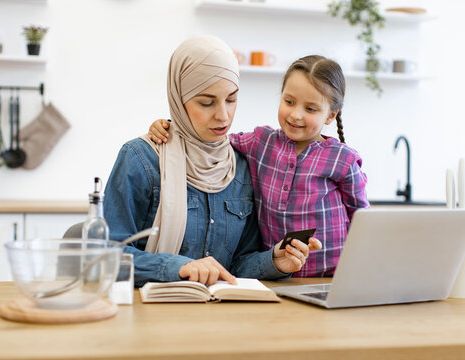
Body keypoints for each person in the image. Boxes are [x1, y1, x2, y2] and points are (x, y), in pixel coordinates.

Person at [104, 36, 322, 287]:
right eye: (206, 102)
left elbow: (238, 264)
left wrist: (275, 261)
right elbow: (108, 256)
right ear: (179, 99)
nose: (223, 115)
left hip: (221, 317)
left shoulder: (239, 166)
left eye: (231, 99)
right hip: (152, 314)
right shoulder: (141, 159)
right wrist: (180, 267)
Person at [148, 55, 369, 278]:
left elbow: (362, 220)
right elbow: (213, 138)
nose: (296, 114)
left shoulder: (343, 158)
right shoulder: (261, 142)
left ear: (331, 115)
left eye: (310, 109)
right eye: (289, 102)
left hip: (333, 276)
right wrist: (171, 126)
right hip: (277, 276)